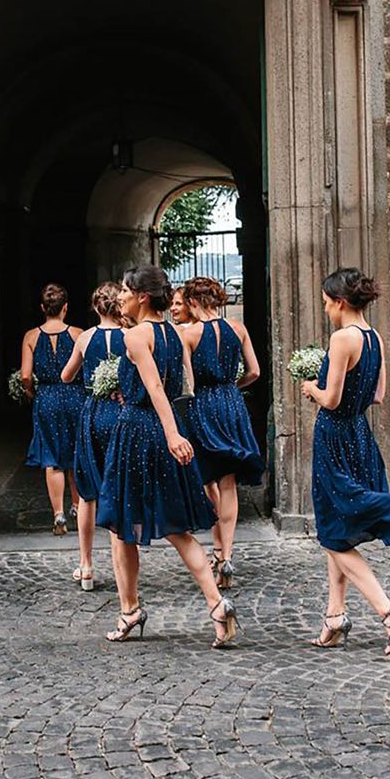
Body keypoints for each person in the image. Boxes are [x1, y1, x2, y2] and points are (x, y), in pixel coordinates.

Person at [97, 264, 238, 648]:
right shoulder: (174, 334)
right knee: (178, 528)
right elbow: (181, 384)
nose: (121, 296)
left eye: (126, 290)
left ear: (142, 296)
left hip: (139, 432)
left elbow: (156, 386)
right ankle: (217, 605)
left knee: (120, 524)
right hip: (164, 428)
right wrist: (174, 429)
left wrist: (172, 433)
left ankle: (130, 611)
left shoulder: (136, 336)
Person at [301, 268, 390, 658]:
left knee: (332, 533)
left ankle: (388, 609)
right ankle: (335, 616)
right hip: (359, 436)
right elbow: (379, 394)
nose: (326, 310)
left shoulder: (342, 338)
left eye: (326, 303)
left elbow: (330, 398)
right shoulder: (374, 337)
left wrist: (310, 388)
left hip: (334, 435)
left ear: (341, 302)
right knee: (341, 526)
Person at [182, 277, 263, 591]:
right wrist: (232, 387)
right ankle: (226, 554)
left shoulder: (187, 334)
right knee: (228, 482)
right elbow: (254, 371)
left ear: (192, 301)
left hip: (203, 405)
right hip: (231, 403)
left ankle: (216, 548)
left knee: (207, 479)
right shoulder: (238, 329)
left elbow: (187, 383)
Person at [61, 282, 126, 591]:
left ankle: (86, 566)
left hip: (94, 413)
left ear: (97, 308)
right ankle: (121, 564)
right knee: (118, 485)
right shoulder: (131, 337)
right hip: (123, 415)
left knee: (88, 492)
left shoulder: (85, 338)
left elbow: (66, 375)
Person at [22, 283, 86, 535]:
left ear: (42, 308)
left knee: (52, 457)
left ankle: (58, 515)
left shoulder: (31, 336)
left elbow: (26, 376)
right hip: (74, 397)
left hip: (47, 397)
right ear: (66, 308)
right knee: (76, 453)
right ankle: (79, 508)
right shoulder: (78, 334)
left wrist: (30, 392)